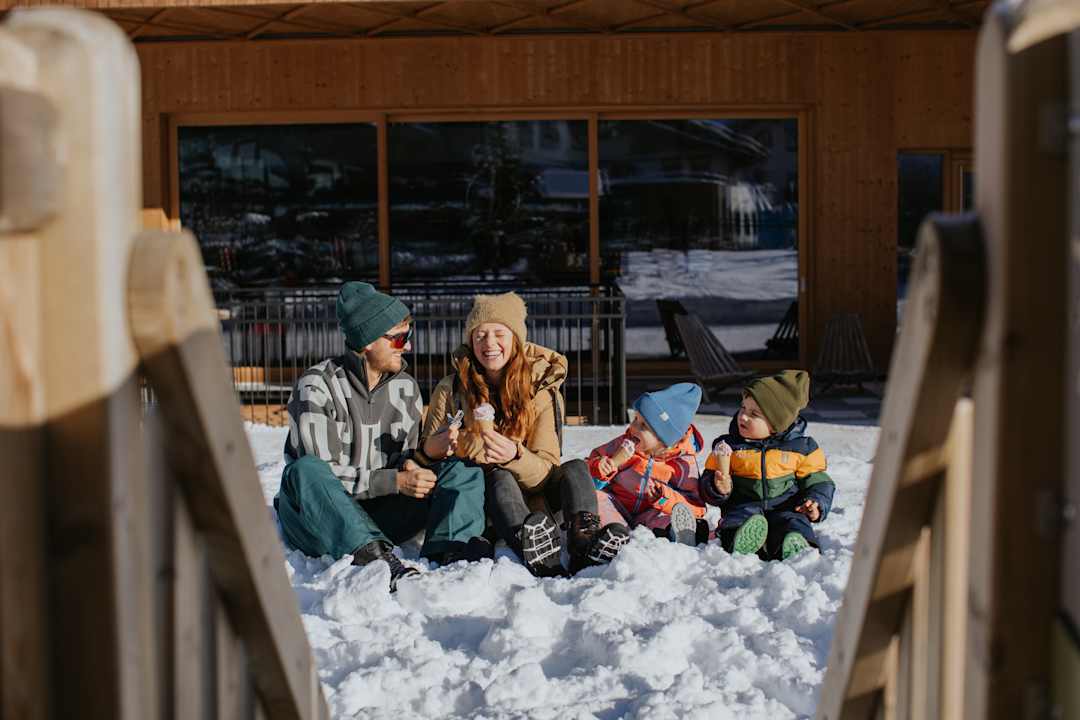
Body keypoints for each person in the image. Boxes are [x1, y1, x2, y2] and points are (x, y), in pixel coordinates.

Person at [273, 282, 487, 592]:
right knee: (305, 469)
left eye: (408, 337)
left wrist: (422, 459)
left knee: (461, 469)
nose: (408, 347)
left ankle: (452, 555)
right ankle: (378, 563)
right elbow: (321, 480)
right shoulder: (317, 386)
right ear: (368, 341)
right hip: (319, 521)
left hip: (379, 513)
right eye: (400, 338)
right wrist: (395, 481)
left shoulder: (406, 388)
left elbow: (403, 463)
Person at [420, 292, 602, 577]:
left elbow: (546, 468)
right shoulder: (451, 388)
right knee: (500, 478)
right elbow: (427, 452)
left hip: (538, 497)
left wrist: (515, 455)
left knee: (576, 468)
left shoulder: (541, 388)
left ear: (516, 339)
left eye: (499, 334)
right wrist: (461, 445)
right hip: (485, 502)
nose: (489, 344)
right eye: (480, 335)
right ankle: (532, 547)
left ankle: (585, 542)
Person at [700, 370, 836, 561]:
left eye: (754, 414)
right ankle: (741, 541)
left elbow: (819, 481)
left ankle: (795, 545)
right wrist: (717, 487)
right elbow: (707, 481)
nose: (743, 417)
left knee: (794, 523)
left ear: (776, 424)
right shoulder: (729, 447)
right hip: (744, 505)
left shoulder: (802, 448)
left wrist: (816, 502)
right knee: (738, 520)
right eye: (743, 408)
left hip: (787, 508)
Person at [586, 383, 709, 563]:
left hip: (650, 515)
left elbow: (696, 506)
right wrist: (603, 466)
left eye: (643, 425)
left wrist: (665, 499)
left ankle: (677, 535)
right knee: (597, 498)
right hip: (618, 506)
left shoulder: (682, 465)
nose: (634, 427)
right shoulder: (622, 443)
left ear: (665, 438)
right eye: (635, 419)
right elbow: (589, 466)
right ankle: (613, 537)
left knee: (667, 516)